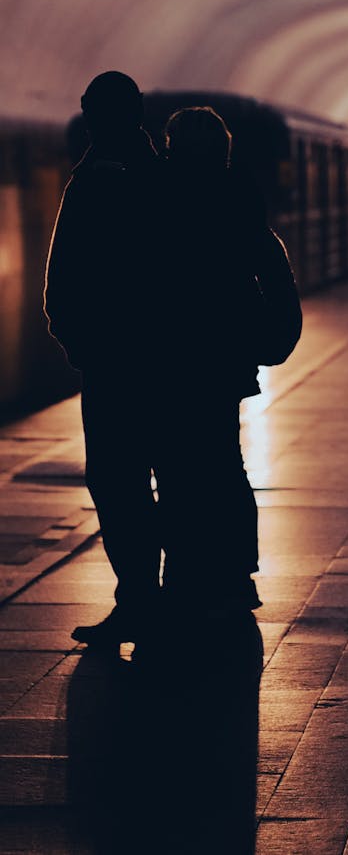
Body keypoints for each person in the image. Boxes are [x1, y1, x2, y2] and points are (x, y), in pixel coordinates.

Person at [151, 106, 301, 620]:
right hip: (222, 357)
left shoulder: (158, 192)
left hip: (169, 356)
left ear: (171, 145)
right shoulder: (239, 193)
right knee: (223, 465)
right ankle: (236, 574)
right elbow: (272, 269)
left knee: (174, 469)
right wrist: (273, 339)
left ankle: (183, 573)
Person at [44, 71, 161, 649]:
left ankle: (139, 599)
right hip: (159, 357)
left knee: (117, 480)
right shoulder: (164, 175)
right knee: (166, 477)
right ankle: (169, 596)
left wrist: (74, 337)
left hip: (115, 360)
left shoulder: (99, 176)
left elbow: (71, 268)